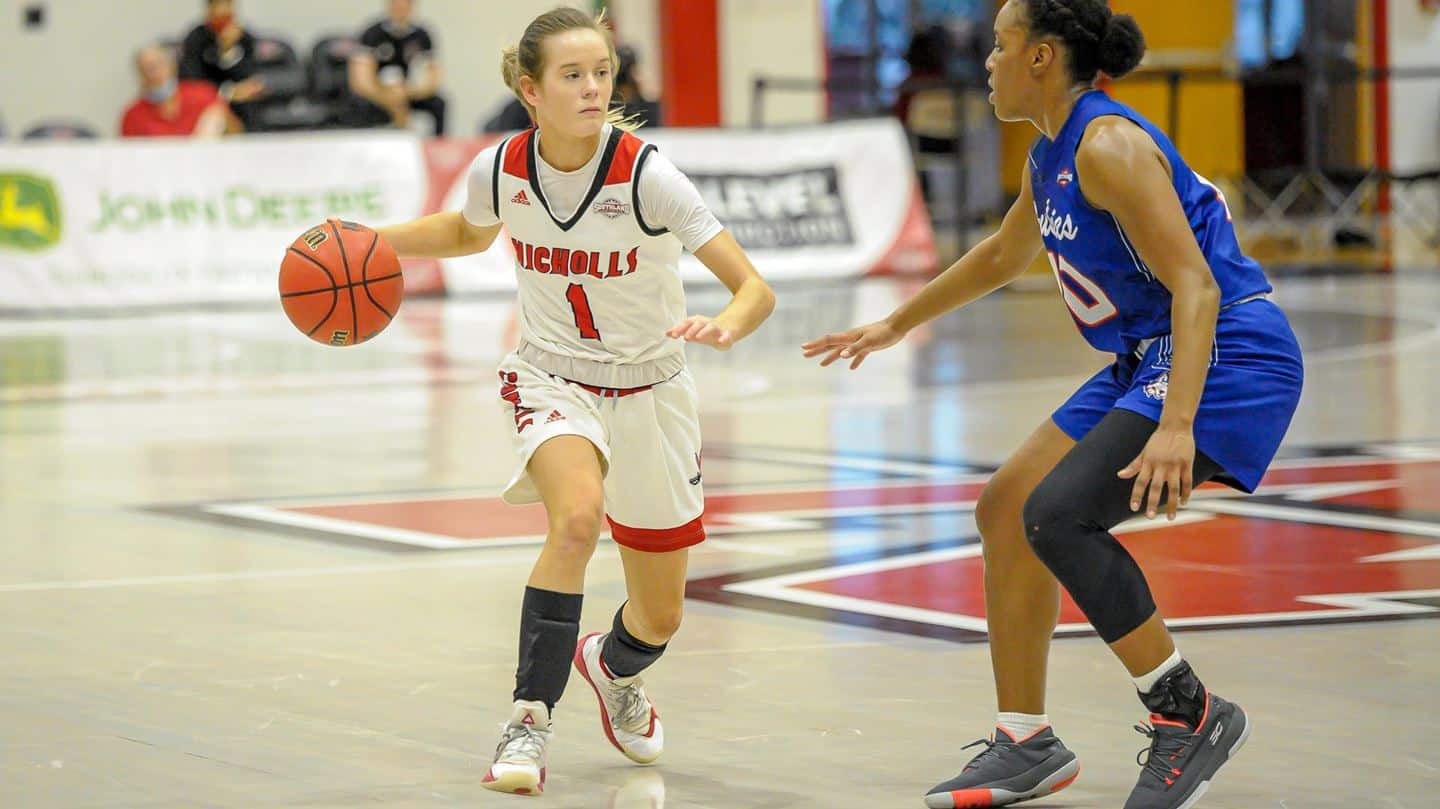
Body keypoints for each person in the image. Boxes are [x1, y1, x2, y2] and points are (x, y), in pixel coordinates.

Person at [803, 2, 1303, 808]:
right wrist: (895, 321)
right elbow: (1006, 252)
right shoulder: (1051, 153)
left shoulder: (1109, 146)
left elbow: (1197, 284)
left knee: (1060, 514)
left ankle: (1189, 712)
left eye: (1000, 46)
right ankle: (1025, 738)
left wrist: (1177, 423)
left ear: (1041, 57)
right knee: (1007, 505)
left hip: (1232, 354)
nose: (988, 61)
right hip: (1151, 352)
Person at [374, 7, 775, 797]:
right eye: (572, 75)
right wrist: (370, 239)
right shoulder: (505, 166)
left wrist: (727, 323)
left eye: (602, 72)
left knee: (659, 616)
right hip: (552, 374)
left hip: (653, 388)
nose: (593, 88)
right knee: (576, 519)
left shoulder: (646, 175)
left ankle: (611, 667)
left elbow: (753, 286)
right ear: (531, 90)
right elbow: (465, 231)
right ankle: (528, 717)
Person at [347, 0, 447, 134]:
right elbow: (361, 81)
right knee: (359, 104)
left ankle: (437, 146)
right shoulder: (372, 34)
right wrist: (387, 96)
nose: (400, 8)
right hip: (378, 92)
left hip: (408, 91)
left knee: (439, 103)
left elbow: (432, 78)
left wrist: (409, 92)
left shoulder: (422, 36)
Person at [179, 0, 266, 124]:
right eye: (218, 5)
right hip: (207, 105)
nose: (223, 10)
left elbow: (249, 76)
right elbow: (192, 80)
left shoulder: (245, 38)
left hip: (242, 106)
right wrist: (227, 92)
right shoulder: (196, 39)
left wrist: (229, 52)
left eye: (228, 4)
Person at [121, 44, 237, 138]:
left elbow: (237, 134)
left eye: (158, 65)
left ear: (172, 66)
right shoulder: (133, 116)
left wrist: (220, 122)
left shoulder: (203, 94)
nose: (153, 75)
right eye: (146, 69)